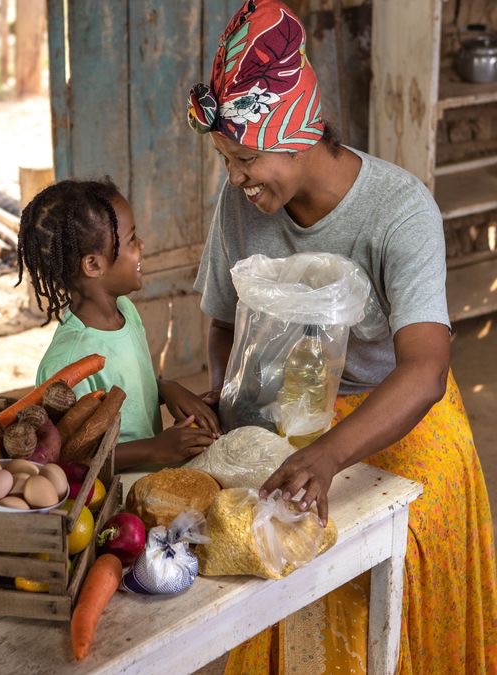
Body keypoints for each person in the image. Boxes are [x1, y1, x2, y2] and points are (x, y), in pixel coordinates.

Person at [188, 0, 497, 671]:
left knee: (383, 562)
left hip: (396, 414)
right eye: (226, 161)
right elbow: (219, 320)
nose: (236, 179)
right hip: (286, 417)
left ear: (295, 132)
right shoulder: (241, 204)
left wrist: (327, 455)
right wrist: (228, 405)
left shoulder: (398, 210)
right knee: (267, 555)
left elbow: (424, 373)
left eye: (244, 159)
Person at [18, 179, 219, 472]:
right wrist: (154, 450)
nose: (142, 245)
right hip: (107, 501)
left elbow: (125, 385)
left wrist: (166, 389)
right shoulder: (67, 361)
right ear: (93, 265)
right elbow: (66, 460)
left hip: (148, 479)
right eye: (131, 239)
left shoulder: (124, 310)